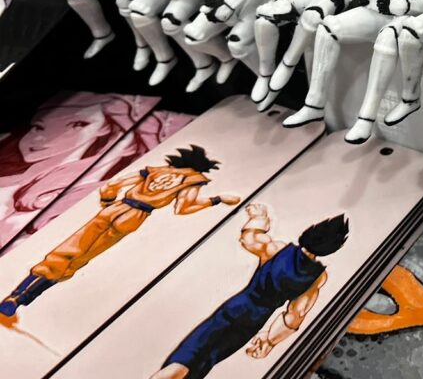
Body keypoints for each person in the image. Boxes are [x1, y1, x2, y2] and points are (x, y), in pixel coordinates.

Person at [0, 145, 238, 317]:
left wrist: (107, 203)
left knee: (66, 251)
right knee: (79, 259)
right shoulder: (193, 181)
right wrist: (216, 200)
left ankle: (17, 295)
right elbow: (184, 208)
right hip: (134, 217)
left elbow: (113, 185)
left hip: (116, 208)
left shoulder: (154, 170)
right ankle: (23, 299)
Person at [152, 204, 349, 379]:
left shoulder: (278, 250)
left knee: (191, 353)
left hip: (238, 306)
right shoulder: (317, 277)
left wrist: (259, 217)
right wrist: (270, 340)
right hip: (255, 321)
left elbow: (249, 239)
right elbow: (295, 315)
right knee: (209, 359)